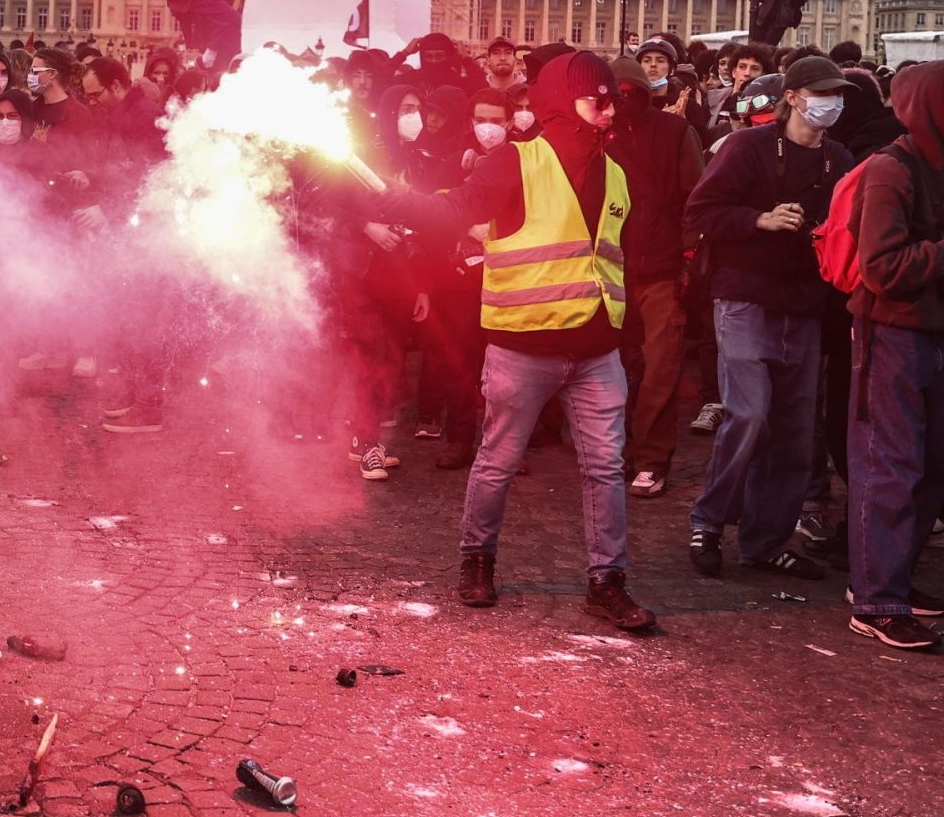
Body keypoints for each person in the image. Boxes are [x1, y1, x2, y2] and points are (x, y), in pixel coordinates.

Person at [364, 52, 654, 630]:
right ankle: (477, 561)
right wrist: (398, 202)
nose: (608, 109)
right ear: (561, 103)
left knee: (605, 468)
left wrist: (629, 335)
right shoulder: (514, 162)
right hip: (523, 346)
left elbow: (616, 257)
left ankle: (608, 580)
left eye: (612, 100)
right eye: (596, 99)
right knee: (497, 461)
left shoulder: (617, 172)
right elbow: (456, 210)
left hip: (597, 351)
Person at [842, 62, 944, 651]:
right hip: (892, 334)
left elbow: (932, 246)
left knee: (931, 466)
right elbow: (881, 270)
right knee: (890, 465)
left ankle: (890, 579)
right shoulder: (892, 168)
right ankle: (876, 600)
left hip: (933, 330)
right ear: (933, 107)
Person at [681, 53, 853, 579]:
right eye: (822, 93)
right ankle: (709, 522)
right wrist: (760, 219)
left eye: (837, 94)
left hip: (805, 305)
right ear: (793, 98)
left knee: (795, 431)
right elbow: (700, 211)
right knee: (749, 415)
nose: (831, 103)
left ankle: (766, 540)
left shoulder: (840, 158)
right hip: (744, 297)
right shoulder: (747, 147)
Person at [608, 57, 704, 496]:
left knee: (661, 369)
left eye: (634, 93)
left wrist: (687, 256)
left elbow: (695, 197)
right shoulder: (598, 135)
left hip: (661, 269)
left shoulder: (675, 132)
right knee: (611, 370)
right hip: (610, 269)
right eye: (619, 94)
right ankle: (615, 451)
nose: (626, 101)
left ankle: (650, 458)